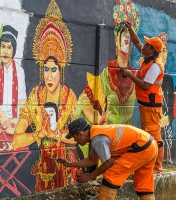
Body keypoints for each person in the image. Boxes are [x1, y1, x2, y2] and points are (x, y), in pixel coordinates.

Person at [12, 0, 80, 191]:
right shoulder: (35, 96)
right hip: (44, 168)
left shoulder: (70, 97)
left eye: (54, 70)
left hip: (67, 167)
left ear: (61, 70)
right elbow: (16, 140)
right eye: (46, 69)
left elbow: (79, 137)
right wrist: (38, 134)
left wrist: (57, 134)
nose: (49, 75)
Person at [58, 118, 157, 200]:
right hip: (150, 145)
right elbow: (92, 160)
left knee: (111, 175)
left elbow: (108, 163)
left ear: (80, 134)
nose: (75, 141)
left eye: (74, 137)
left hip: (141, 147)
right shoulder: (95, 135)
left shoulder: (98, 140)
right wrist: (70, 164)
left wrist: (90, 176)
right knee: (143, 185)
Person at [119, 21, 164, 173]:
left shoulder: (155, 65)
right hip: (146, 104)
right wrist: (130, 28)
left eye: (147, 45)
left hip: (151, 107)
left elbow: (146, 85)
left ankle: (157, 167)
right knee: (148, 135)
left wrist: (130, 75)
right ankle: (151, 164)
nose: (143, 46)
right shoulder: (148, 57)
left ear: (152, 49)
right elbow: (137, 41)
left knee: (154, 136)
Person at [0, 25, 26, 128]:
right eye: (3, 46)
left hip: (14, 120)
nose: (5, 51)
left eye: (9, 47)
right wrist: (3, 116)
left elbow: (22, 98)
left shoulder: (20, 71)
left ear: (14, 50)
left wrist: (19, 118)